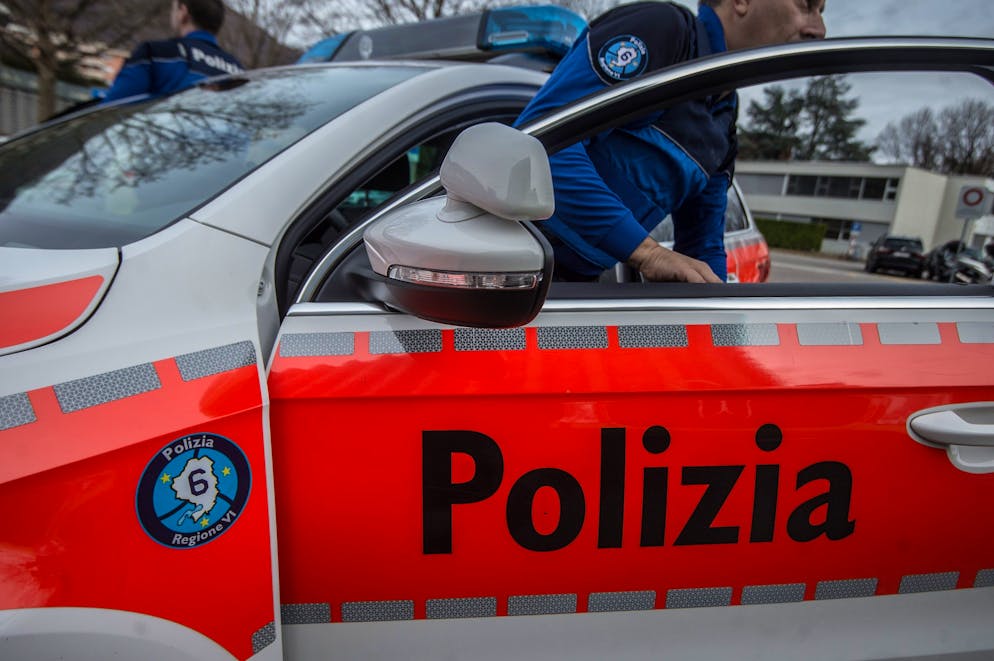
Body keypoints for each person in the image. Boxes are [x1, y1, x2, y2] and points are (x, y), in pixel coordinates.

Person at [515, 0, 826, 282]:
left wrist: (718, 315)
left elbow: (703, 246)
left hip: (578, 281)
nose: (819, 30)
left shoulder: (724, 115)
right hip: (511, 266)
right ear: (742, 2)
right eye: (807, 6)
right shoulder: (664, 31)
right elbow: (538, 148)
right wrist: (648, 253)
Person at [102, 0, 243, 103]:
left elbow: (113, 110)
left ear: (183, 12)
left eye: (174, 9)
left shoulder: (155, 53)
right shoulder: (239, 71)